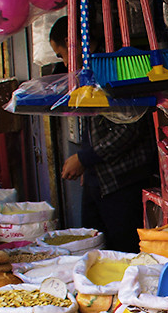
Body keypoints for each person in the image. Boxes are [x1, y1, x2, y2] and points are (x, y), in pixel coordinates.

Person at [49, 15, 160, 253]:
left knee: (123, 251)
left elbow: (130, 127)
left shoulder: (116, 66)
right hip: (98, 181)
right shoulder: (86, 75)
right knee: (94, 249)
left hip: (122, 182)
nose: (65, 62)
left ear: (72, 42)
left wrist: (85, 158)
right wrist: (87, 166)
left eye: (61, 54)